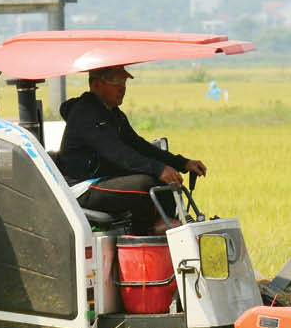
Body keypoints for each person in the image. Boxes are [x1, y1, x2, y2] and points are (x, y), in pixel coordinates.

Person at [57, 65, 206, 233]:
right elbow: (117, 152)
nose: (122, 88)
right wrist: (158, 168)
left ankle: (167, 227)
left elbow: (140, 146)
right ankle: (145, 233)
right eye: (116, 81)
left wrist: (183, 163)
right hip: (82, 187)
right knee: (145, 184)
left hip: (102, 179)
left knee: (162, 180)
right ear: (96, 84)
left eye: (124, 81)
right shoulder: (85, 113)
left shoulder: (114, 114)